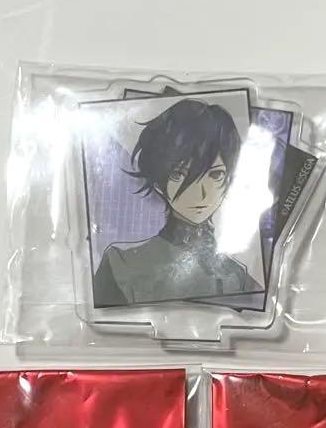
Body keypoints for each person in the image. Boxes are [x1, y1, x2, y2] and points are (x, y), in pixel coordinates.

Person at [92, 99, 261, 306]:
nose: (201, 194)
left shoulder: (236, 275)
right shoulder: (121, 265)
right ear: (158, 182)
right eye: (179, 174)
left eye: (215, 175)